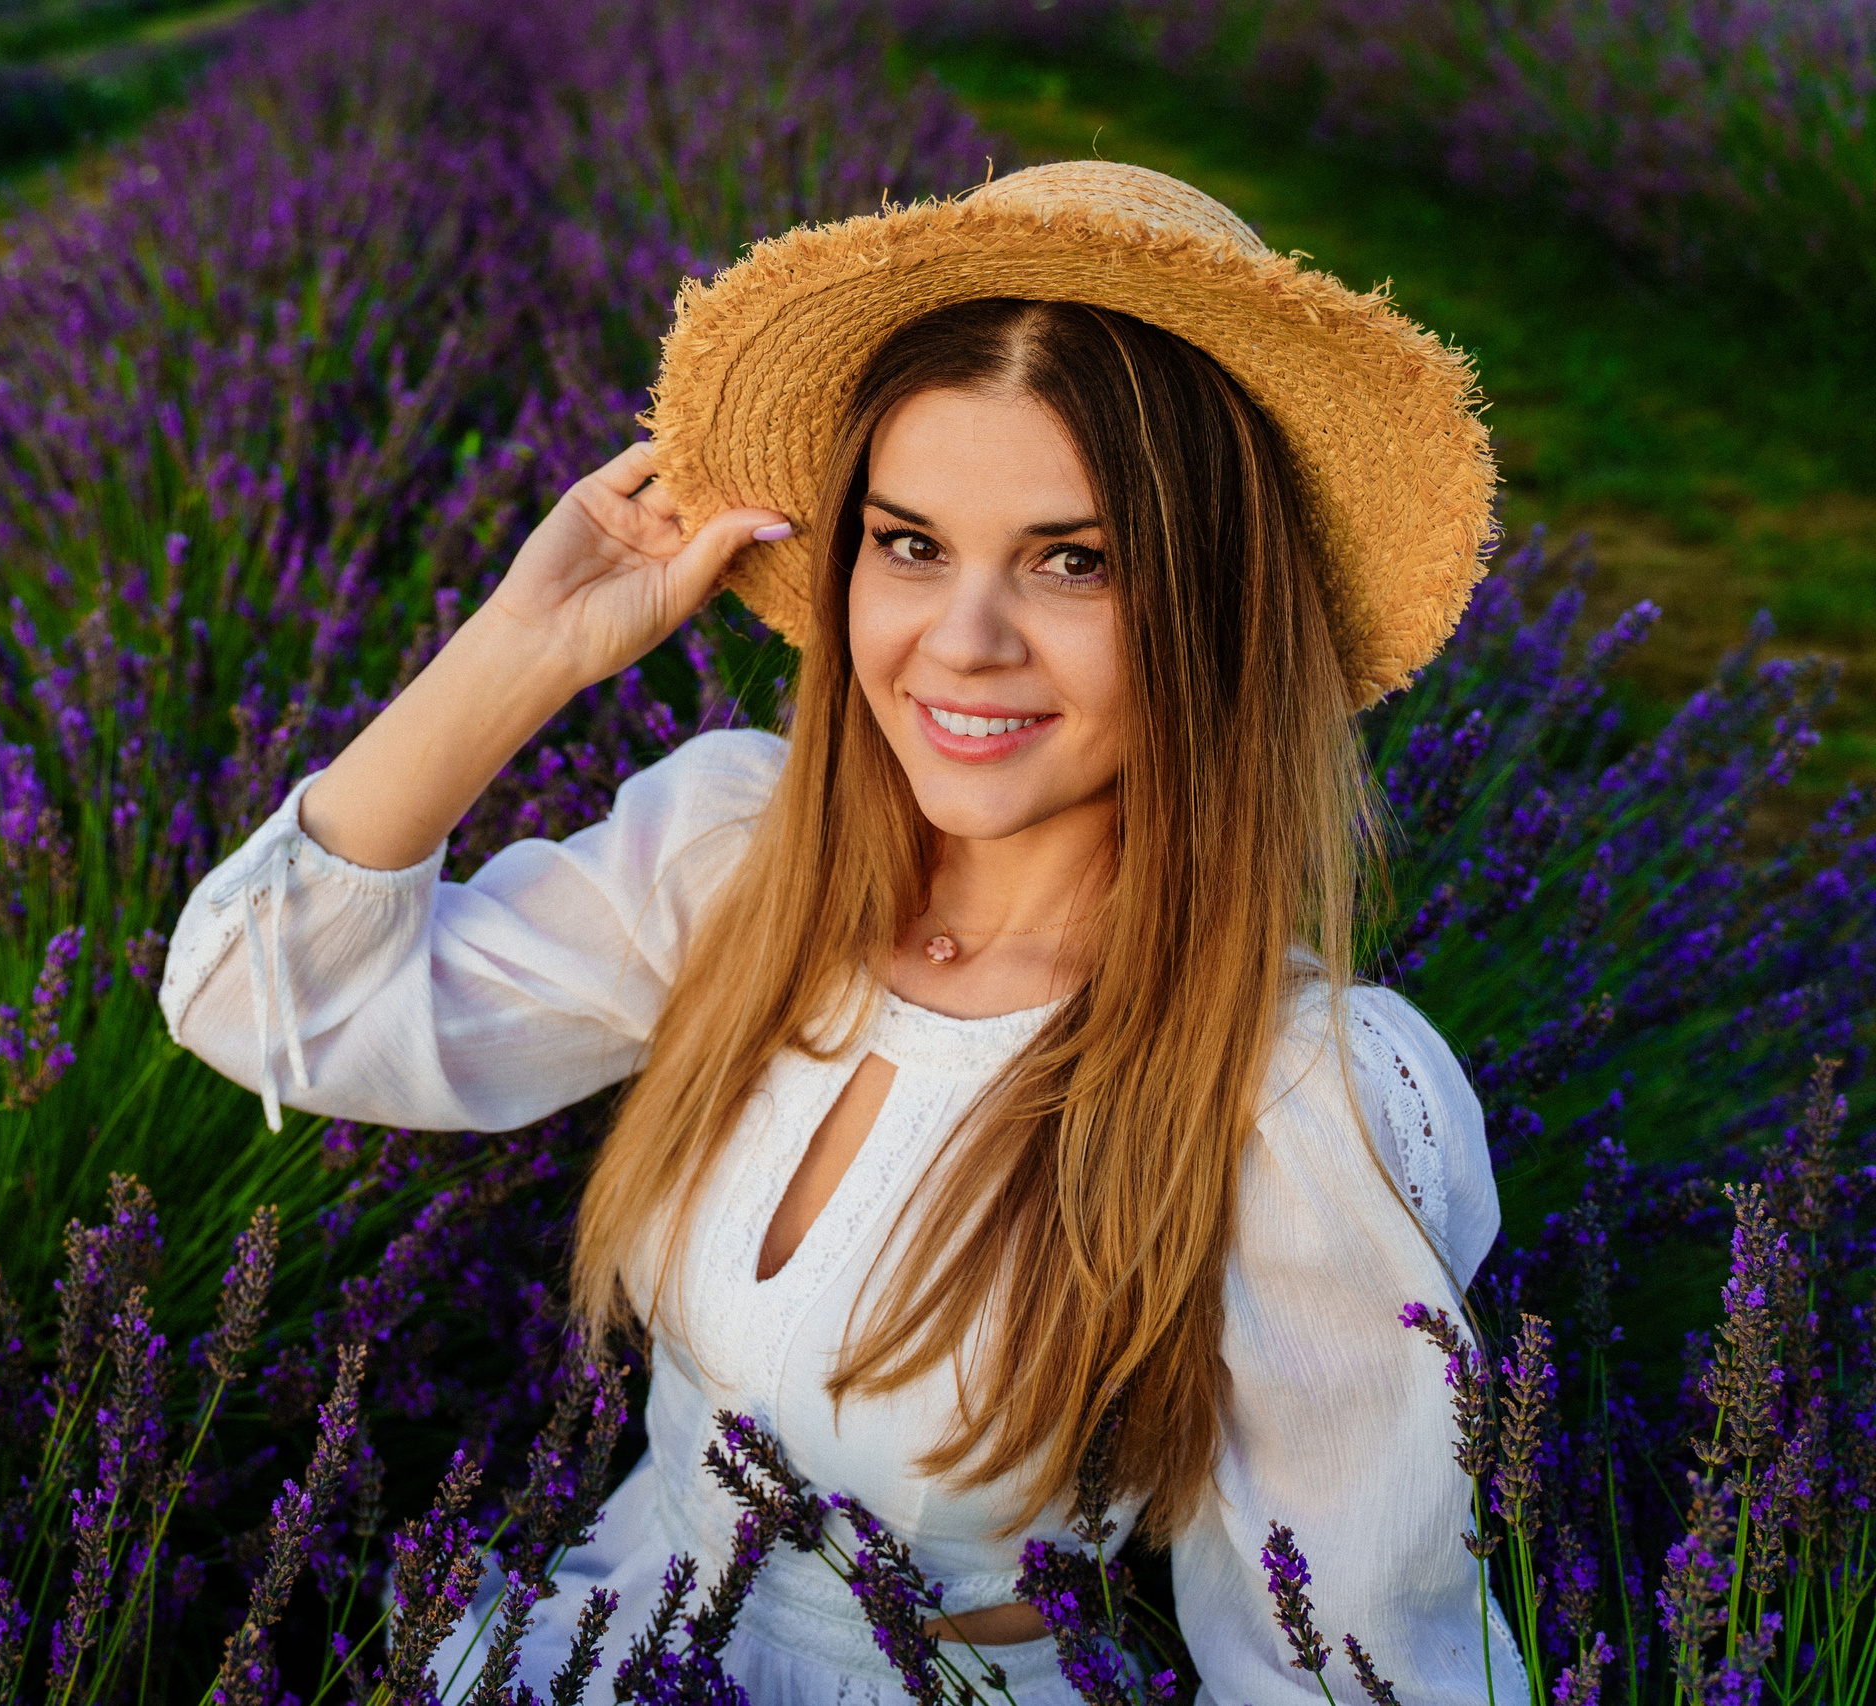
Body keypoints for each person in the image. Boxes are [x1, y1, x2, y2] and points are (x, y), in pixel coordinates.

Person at [160, 161, 1515, 1703]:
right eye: (912, 542)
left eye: (1076, 560)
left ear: (1210, 605)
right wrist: (525, 648)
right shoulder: (746, 863)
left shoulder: (1286, 1093)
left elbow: (1348, 1667)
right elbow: (265, 1002)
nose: (966, 638)